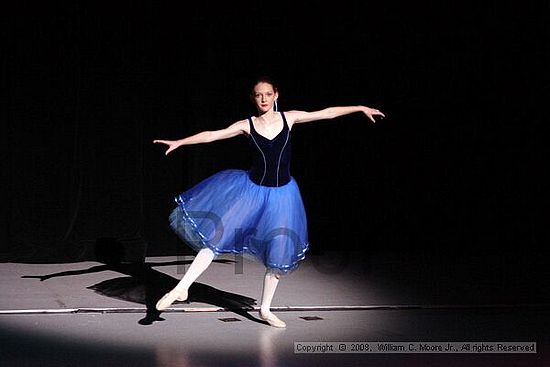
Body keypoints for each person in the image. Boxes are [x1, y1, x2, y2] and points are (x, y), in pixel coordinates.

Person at [153, 76, 385, 328]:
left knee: (279, 252)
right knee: (216, 239)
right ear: (253, 98)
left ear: (276, 95)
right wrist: (180, 142)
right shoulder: (248, 124)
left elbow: (326, 113)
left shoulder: (290, 118)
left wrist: (360, 108)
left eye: (267, 94)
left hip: (282, 197)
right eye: (257, 95)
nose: (263, 99)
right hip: (250, 193)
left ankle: (265, 309)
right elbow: (212, 135)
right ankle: (182, 288)